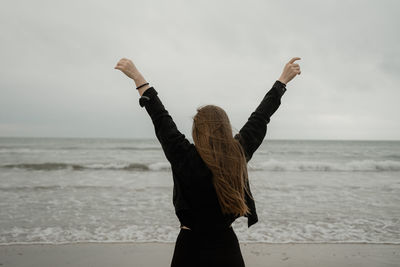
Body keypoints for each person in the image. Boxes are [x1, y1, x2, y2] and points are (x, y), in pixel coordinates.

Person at [114, 57, 301, 267]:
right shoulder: (236, 153)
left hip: (189, 248)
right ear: (225, 128)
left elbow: (160, 117)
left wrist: (138, 78)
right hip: (226, 248)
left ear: (197, 130)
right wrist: (281, 81)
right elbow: (260, 117)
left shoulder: (182, 154)